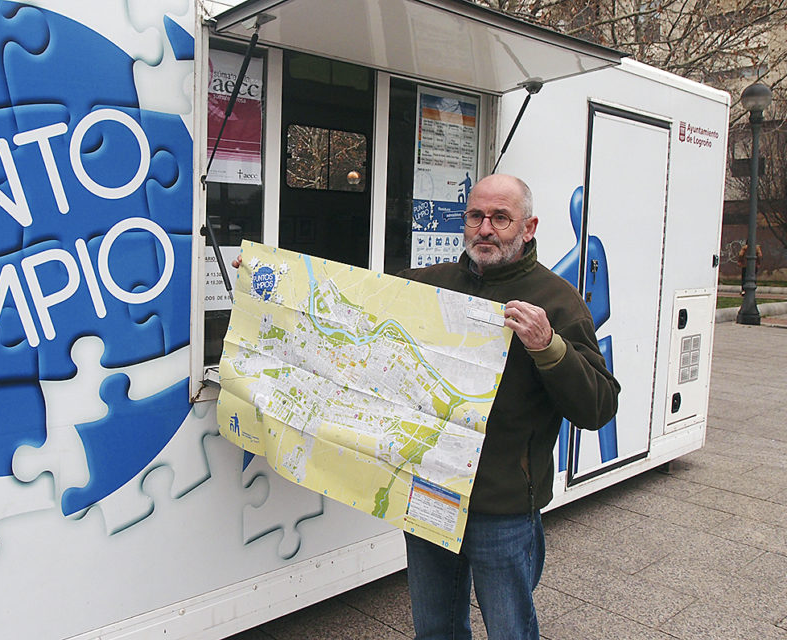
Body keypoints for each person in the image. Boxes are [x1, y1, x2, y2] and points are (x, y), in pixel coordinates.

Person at [230, 174, 620, 639]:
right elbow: (345, 304)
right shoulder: (427, 286)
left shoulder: (557, 302)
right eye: (475, 216)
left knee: (510, 628)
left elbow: (598, 407)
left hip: (503, 505)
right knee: (434, 628)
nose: (485, 229)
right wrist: (270, 280)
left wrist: (548, 346)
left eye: (501, 218)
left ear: (528, 227)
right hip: (430, 492)